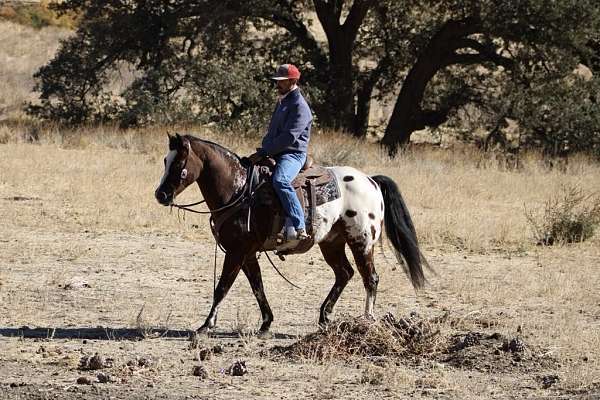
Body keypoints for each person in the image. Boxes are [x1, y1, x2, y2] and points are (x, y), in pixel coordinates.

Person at [248, 64, 313, 242]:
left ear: (292, 81)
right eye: (277, 81)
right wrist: (264, 150)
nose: (277, 85)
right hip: (275, 152)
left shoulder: (300, 106)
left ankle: (299, 225)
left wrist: (266, 151)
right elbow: (273, 131)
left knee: (280, 180)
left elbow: (289, 137)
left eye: (281, 81)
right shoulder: (283, 101)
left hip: (292, 154)